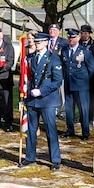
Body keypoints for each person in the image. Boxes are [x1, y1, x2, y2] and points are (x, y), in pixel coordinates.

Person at [20, 31, 64, 172]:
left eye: (39, 42)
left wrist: (42, 91)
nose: (37, 44)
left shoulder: (53, 59)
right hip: (33, 99)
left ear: (46, 43)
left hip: (47, 100)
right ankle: (30, 156)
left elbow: (57, 81)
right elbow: (30, 77)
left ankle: (55, 160)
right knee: (31, 130)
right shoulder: (31, 58)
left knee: (51, 130)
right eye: (36, 42)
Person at [62, 28, 94, 140]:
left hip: (81, 86)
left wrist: (84, 80)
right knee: (68, 109)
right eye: (69, 37)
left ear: (78, 38)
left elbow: (92, 69)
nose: (70, 39)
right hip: (68, 84)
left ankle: (85, 133)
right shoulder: (64, 50)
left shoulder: (85, 52)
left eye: (73, 37)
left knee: (83, 110)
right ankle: (70, 129)